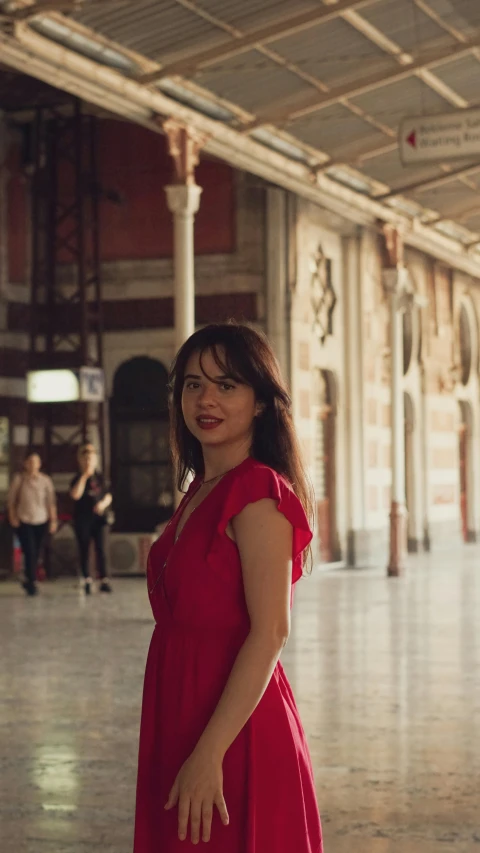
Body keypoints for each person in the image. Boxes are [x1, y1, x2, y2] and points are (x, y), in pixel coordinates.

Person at [133, 323, 323, 852]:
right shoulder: (199, 490)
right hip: (181, 707)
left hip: (233, 727)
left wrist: (210, 752)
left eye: (227, 385)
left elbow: (270, 633)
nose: (206, 399)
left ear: (261, 402)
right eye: (193, 384)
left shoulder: (258, 493)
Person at [7, 451, 57, 596]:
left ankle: (30, 577)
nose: (33, 465)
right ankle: (32, 580)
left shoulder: (45, 480)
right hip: (25, 519)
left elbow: (51, 502)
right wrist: (13, 517)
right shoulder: (19, 479)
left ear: (40, 464)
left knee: (37, 551)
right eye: (30, 462)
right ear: (25, 464)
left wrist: (53, 520)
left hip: (41, 519)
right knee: (29, 550)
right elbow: (11, 500)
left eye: (36, 462)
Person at [70, 443, 113, 595]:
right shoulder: (77, 478)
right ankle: (87, 579)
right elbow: (75, 495)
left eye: (91, 458)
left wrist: (103, 504)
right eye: (85, 458)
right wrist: (84, 476)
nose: (88, 461)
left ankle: (104, 579)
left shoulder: (100, 477)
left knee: (101, 548)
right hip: (83, 518)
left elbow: (108, 495)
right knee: (84, 548)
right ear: (81, 460)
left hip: (99, 518)